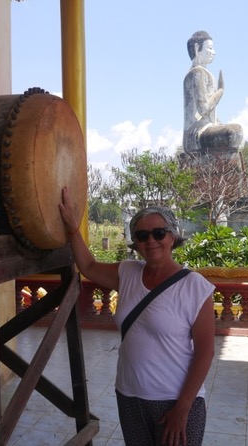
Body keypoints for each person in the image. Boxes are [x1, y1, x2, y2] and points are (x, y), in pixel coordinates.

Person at [59, 187, 215, 446]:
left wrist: (183, 409)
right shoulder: (128, 273)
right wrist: (74, 229)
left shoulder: (195, 286)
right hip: (130, 394)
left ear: (173, 237)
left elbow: (205, 352)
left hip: (175, 399)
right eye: (142, 235)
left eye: (159, 233)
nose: (150, 240)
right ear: (135, 242)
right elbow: (87, 266)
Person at [183, 31, 241, 154]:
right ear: (197, 48)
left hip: (206, 127)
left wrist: (218, 123)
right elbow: (203, 109)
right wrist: (220, 91)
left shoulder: (204, 73)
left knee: (234, 133)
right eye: (210, 48)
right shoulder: (196, 72)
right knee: (235, 132)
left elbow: (209, 115)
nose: (213, 52)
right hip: (196, 134)